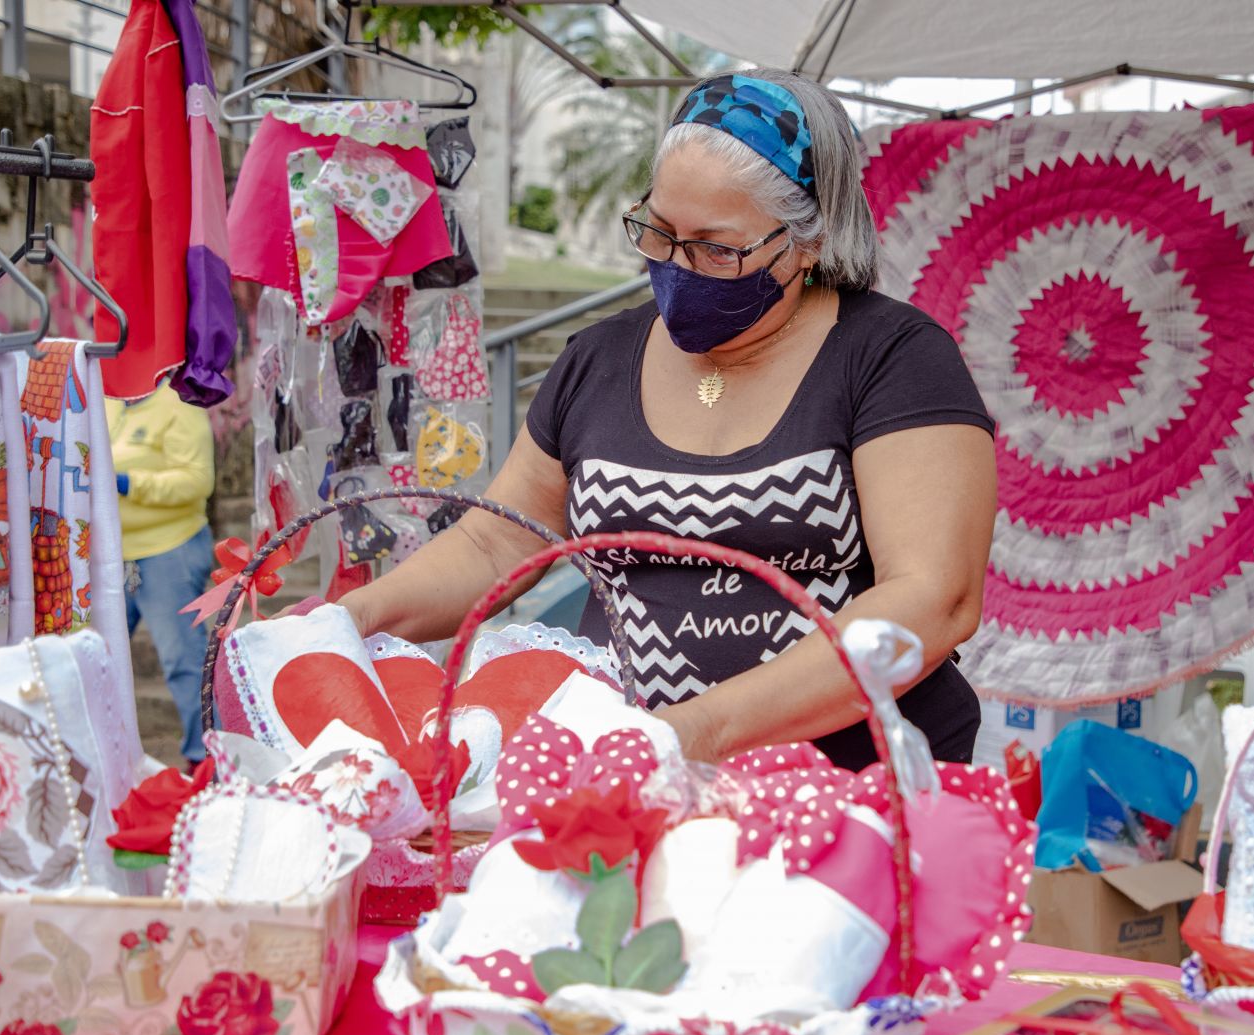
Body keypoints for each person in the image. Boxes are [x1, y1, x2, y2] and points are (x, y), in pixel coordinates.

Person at [341, 68, 997, 770]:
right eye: (658, 233)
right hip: (630, 784)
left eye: (718, 247)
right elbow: (493, 546)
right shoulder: (598, 359)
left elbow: (933, 598)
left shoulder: (893, 360)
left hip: (853, 797)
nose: (680, 268)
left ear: (811, 240)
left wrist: (695, 732)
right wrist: (351, 619)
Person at [106, 382, 216, 768]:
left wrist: (130, 484)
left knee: (182, 659)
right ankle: (102, 756)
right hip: (112, 555)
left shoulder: (179, 402)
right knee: (95, 657)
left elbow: (199, 479)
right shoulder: (106, 399)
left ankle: (207, 759)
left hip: (169, 549)